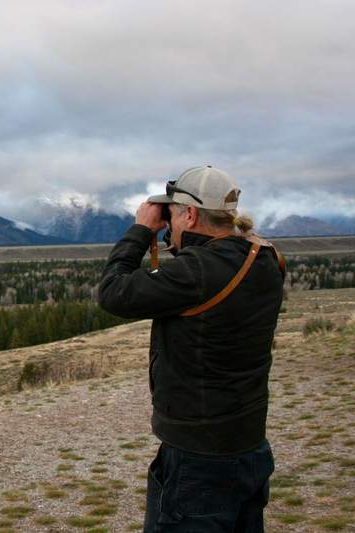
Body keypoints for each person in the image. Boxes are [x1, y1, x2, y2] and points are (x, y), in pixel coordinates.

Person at [98, 166, 284, 532]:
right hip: (249, 445)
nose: (169, 223)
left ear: (191, 214)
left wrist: (140, 231)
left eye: (173, 214)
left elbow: (113, 292)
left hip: (199, 456)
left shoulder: (197, 271)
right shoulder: (265, 257)